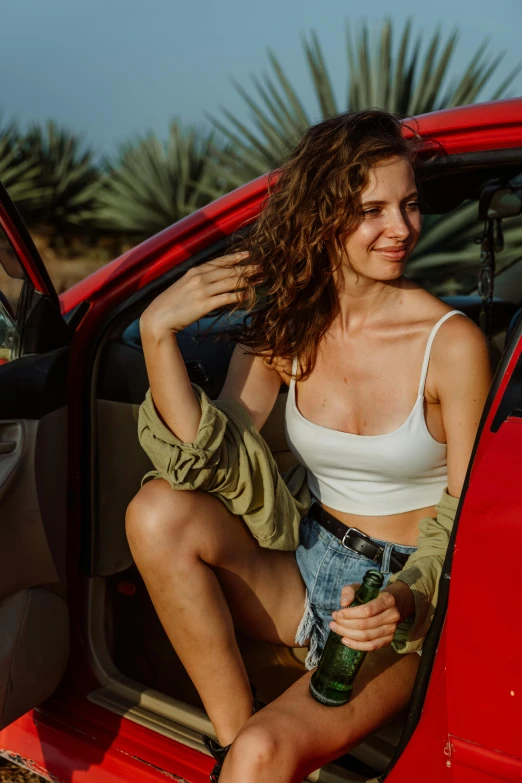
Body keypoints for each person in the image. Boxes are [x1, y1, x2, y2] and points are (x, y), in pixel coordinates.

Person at [125, 110, 492, 783]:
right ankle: (233, 742)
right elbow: (208, 463)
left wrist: (403, 600)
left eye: (408, 205)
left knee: (267, 756)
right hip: (304, 566)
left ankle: (251, 757)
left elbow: (463, 520)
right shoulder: (291, 328)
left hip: (399, 606)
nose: (402, 228)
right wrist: (156, 332)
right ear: (324, 215)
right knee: (156, 510)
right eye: (372, 209)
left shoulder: (451, 345)